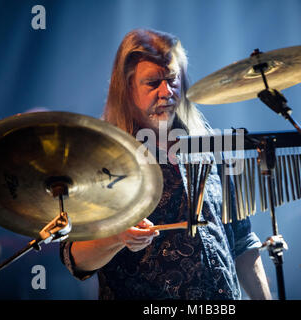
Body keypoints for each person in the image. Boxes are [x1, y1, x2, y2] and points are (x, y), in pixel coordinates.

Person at [60, 28, 272, 300]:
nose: (167, 91)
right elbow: (73, 258)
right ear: (126, 89)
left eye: (172, 79)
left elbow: (242, 241)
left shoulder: (208, 146)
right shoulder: (100, 157)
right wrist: (116, 237)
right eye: (152, 83)